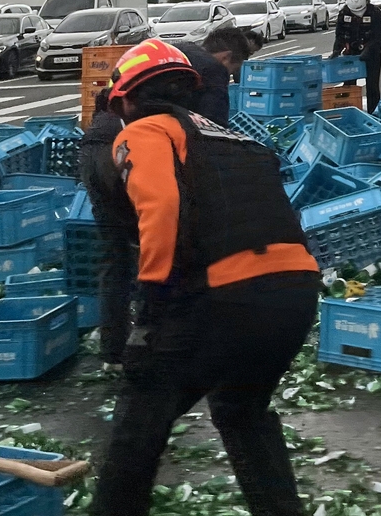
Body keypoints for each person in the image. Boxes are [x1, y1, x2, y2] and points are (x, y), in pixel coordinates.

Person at [90, 39, 320, 516]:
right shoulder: (238, 140)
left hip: (222, 296)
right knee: (242, 412)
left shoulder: (146, 131)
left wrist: (151, 309)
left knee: (139, 424)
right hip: (294, 295)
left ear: (129, 100)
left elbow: (162, 210)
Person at [77, 88, 136, 369]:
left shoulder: (98, 119)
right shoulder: (133, 116)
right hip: (119, 151)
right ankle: (159, 340)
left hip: (91, 155)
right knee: (158, 248)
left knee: (115, 258)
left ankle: (113, 353)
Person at [175, 26, 255, 126]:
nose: (229, 75)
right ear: (226, 57)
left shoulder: (178, 50)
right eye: (232, 70)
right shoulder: (214, 71)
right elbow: (215, 123)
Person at [332, 0, 381, 112]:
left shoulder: (374, 12)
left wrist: (369, 49)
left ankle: (374, 113)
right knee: (349, 85)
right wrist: (336, 50)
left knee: (372, 85)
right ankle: (348, 111)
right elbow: (340, 35)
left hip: (372, 54)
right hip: (351, 54)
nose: (359, 14)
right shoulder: (343, 14)